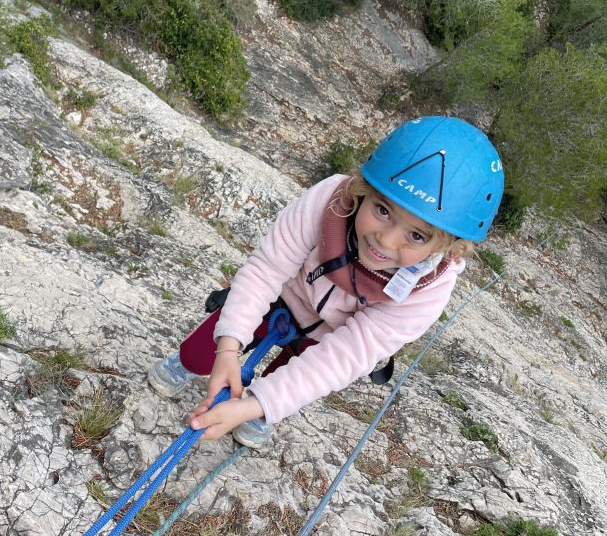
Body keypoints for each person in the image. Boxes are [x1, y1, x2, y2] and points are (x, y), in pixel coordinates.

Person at [148, 116, 504, 449]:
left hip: (326, 334)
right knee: (200, 352)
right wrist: (228, 349)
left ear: (447, 248)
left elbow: (343, 356)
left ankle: (260, 410)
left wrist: (255, 404)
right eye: (382, 210)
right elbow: (267, 270)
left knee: (282, 381)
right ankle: (186, 362)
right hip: (284, 295)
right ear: (364, 189)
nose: (385, 240)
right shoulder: (330, 203)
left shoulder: (427, 291)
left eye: (416, 235)